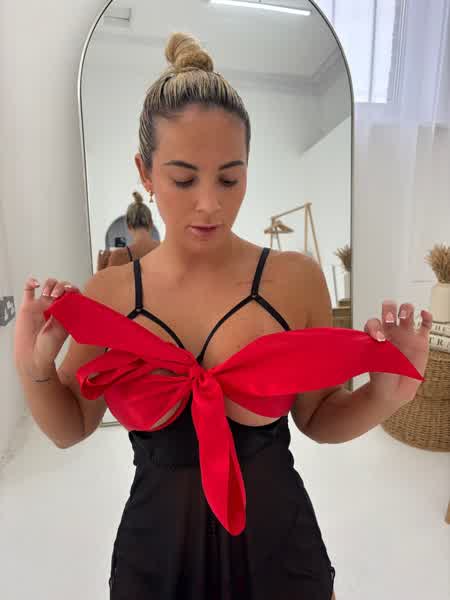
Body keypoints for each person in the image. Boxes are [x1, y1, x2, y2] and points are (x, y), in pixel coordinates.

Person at [14, 32, 432, 600]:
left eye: (230, 178)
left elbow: (318, 418)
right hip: (156, 562)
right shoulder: (110, 294)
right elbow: (70, 428)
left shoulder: (294, 281)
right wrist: (33, 367)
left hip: (279, 557)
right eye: (184, 179)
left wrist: (386, 395)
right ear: (145, 171)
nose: (209, 202)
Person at [97, 191, 159, 271]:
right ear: (151, 223)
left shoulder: (119, 256)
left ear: (128, 225)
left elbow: (104, 279)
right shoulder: (167, 250)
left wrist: (100, 267)